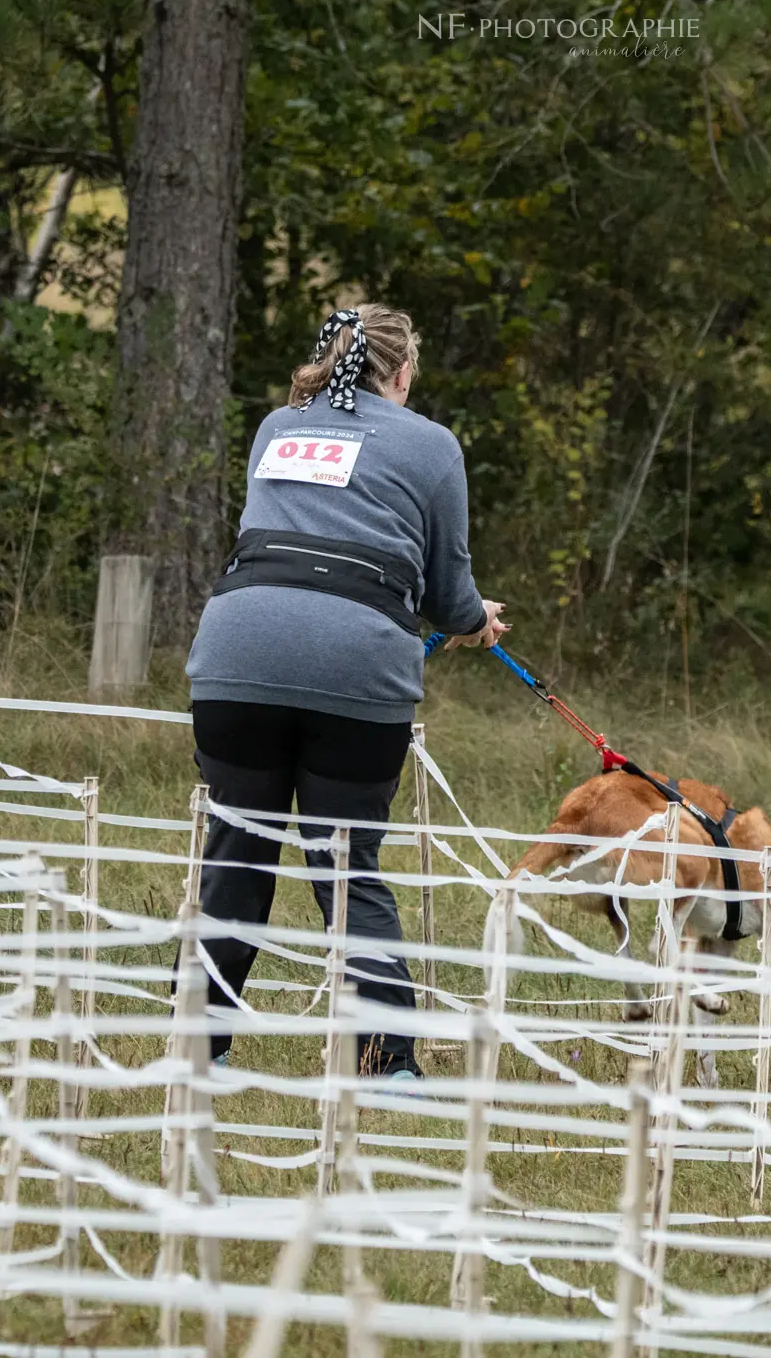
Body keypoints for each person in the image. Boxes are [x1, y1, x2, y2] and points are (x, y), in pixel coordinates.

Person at [184, 304, 506, 1079]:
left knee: (237, 851)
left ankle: (199, 1053)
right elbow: (451, 591)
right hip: (356, 667)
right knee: (346, 861)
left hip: (236, 651)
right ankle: (388, 1063)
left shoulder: (274, 426)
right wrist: (478, 622)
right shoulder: (432, 444)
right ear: (401, 374)